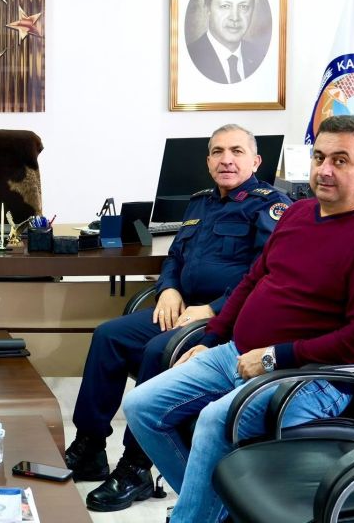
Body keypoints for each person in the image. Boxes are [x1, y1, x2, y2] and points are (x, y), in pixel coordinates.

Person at [123, 115, 354, 523]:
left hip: (310, 376)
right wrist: (210, 339)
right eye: (319, 157)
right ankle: (212, 510)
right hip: (237, 352)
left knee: (215, 421)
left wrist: (275, 356)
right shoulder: (298, 213)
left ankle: (194, 516)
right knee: (141, 406)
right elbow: (252, 280)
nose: (324, 170)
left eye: (341, 160)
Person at [65, 124, 291, 512]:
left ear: (256, 161)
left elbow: (265, 274)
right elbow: (175, 257)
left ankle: (136, 467)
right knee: (108, 336)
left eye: (236, 151)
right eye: (217, 152)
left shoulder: (270, 206)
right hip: (182, 307)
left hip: (225, 317)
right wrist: (168, 288)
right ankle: (89, 447)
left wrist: (214, 308)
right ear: (208, 161)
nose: (226, 160)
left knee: (157, 350)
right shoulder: (199, 203)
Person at [187, 0, 264, 84]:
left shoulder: (259, 56)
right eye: (225, 6)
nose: (235, 17)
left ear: (252, 11)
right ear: (207, 9)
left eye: (243, 7)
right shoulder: (191, 57)